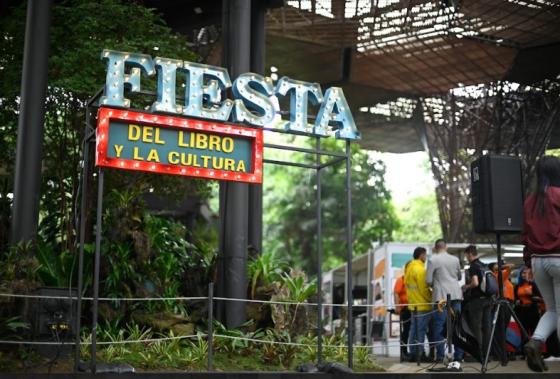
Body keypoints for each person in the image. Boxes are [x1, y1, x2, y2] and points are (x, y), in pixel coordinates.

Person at [521, 155, 560, 372]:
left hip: (538, 263)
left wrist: (529, 262)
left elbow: (525, 236)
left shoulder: (530, 201)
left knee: (552, 309)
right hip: (559, 258)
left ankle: (535, 342)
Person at [426, 239, 464, 363]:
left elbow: (428, 281)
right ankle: (459, 355)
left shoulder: (433, 260)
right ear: (446, 247)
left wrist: (435, 283)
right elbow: (459, 277)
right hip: (456, 294)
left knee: (439, 326)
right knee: (457, 325)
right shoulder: (455, 259)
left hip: (440, 296)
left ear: (436, 248)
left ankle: (441, 356)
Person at [462, 244, 493, 362]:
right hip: (488, 300)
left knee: (476, 328)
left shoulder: (473, 266)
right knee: (487, 327)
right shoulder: (484, 265)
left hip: (477, 301)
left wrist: (466, 286)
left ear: (470, 254)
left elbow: (475, 283)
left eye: (466, 256)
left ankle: (479, 354)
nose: (466, 258)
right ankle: (487, 355)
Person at [405, 247, 432, 361]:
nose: (426, 257)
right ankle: (420, 355)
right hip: (422, 304)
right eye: (425, 255)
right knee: (420, 330)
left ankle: (412, 353)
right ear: (421, 255)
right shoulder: (420, 269)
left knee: (413, 330)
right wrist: (431, 299)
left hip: (413, 305)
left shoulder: (409, 268)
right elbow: (424, 288)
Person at [394, 261, 411, 361]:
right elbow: (396, 293)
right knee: (406, 331)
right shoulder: (401, 279)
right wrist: (397, 307)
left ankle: (413, 352)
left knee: (411, 331)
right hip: (405, 309)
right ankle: (404, 352)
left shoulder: (411, 280)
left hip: (414, 307)